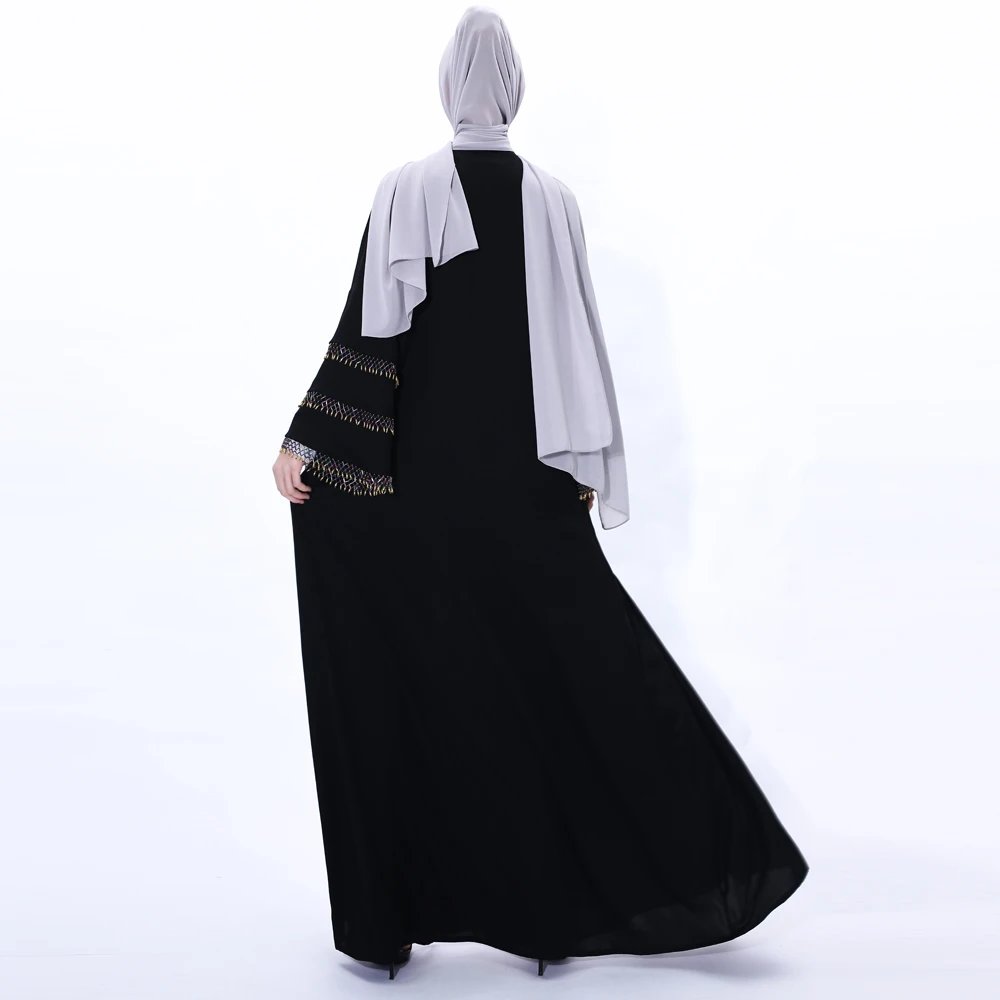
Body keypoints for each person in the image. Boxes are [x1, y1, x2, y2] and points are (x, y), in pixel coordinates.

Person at [272, 5, 808, 981]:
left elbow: (371, 330)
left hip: (414, 487)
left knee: (418, 675)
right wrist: (579, 467)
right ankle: (579, 901)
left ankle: (400, 913)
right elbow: (576, 343)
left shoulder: (406, 189)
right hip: (523, 485)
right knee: (556, 677)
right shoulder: (553, 200)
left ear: (446, 85)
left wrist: (306, 443)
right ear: (514, 89)